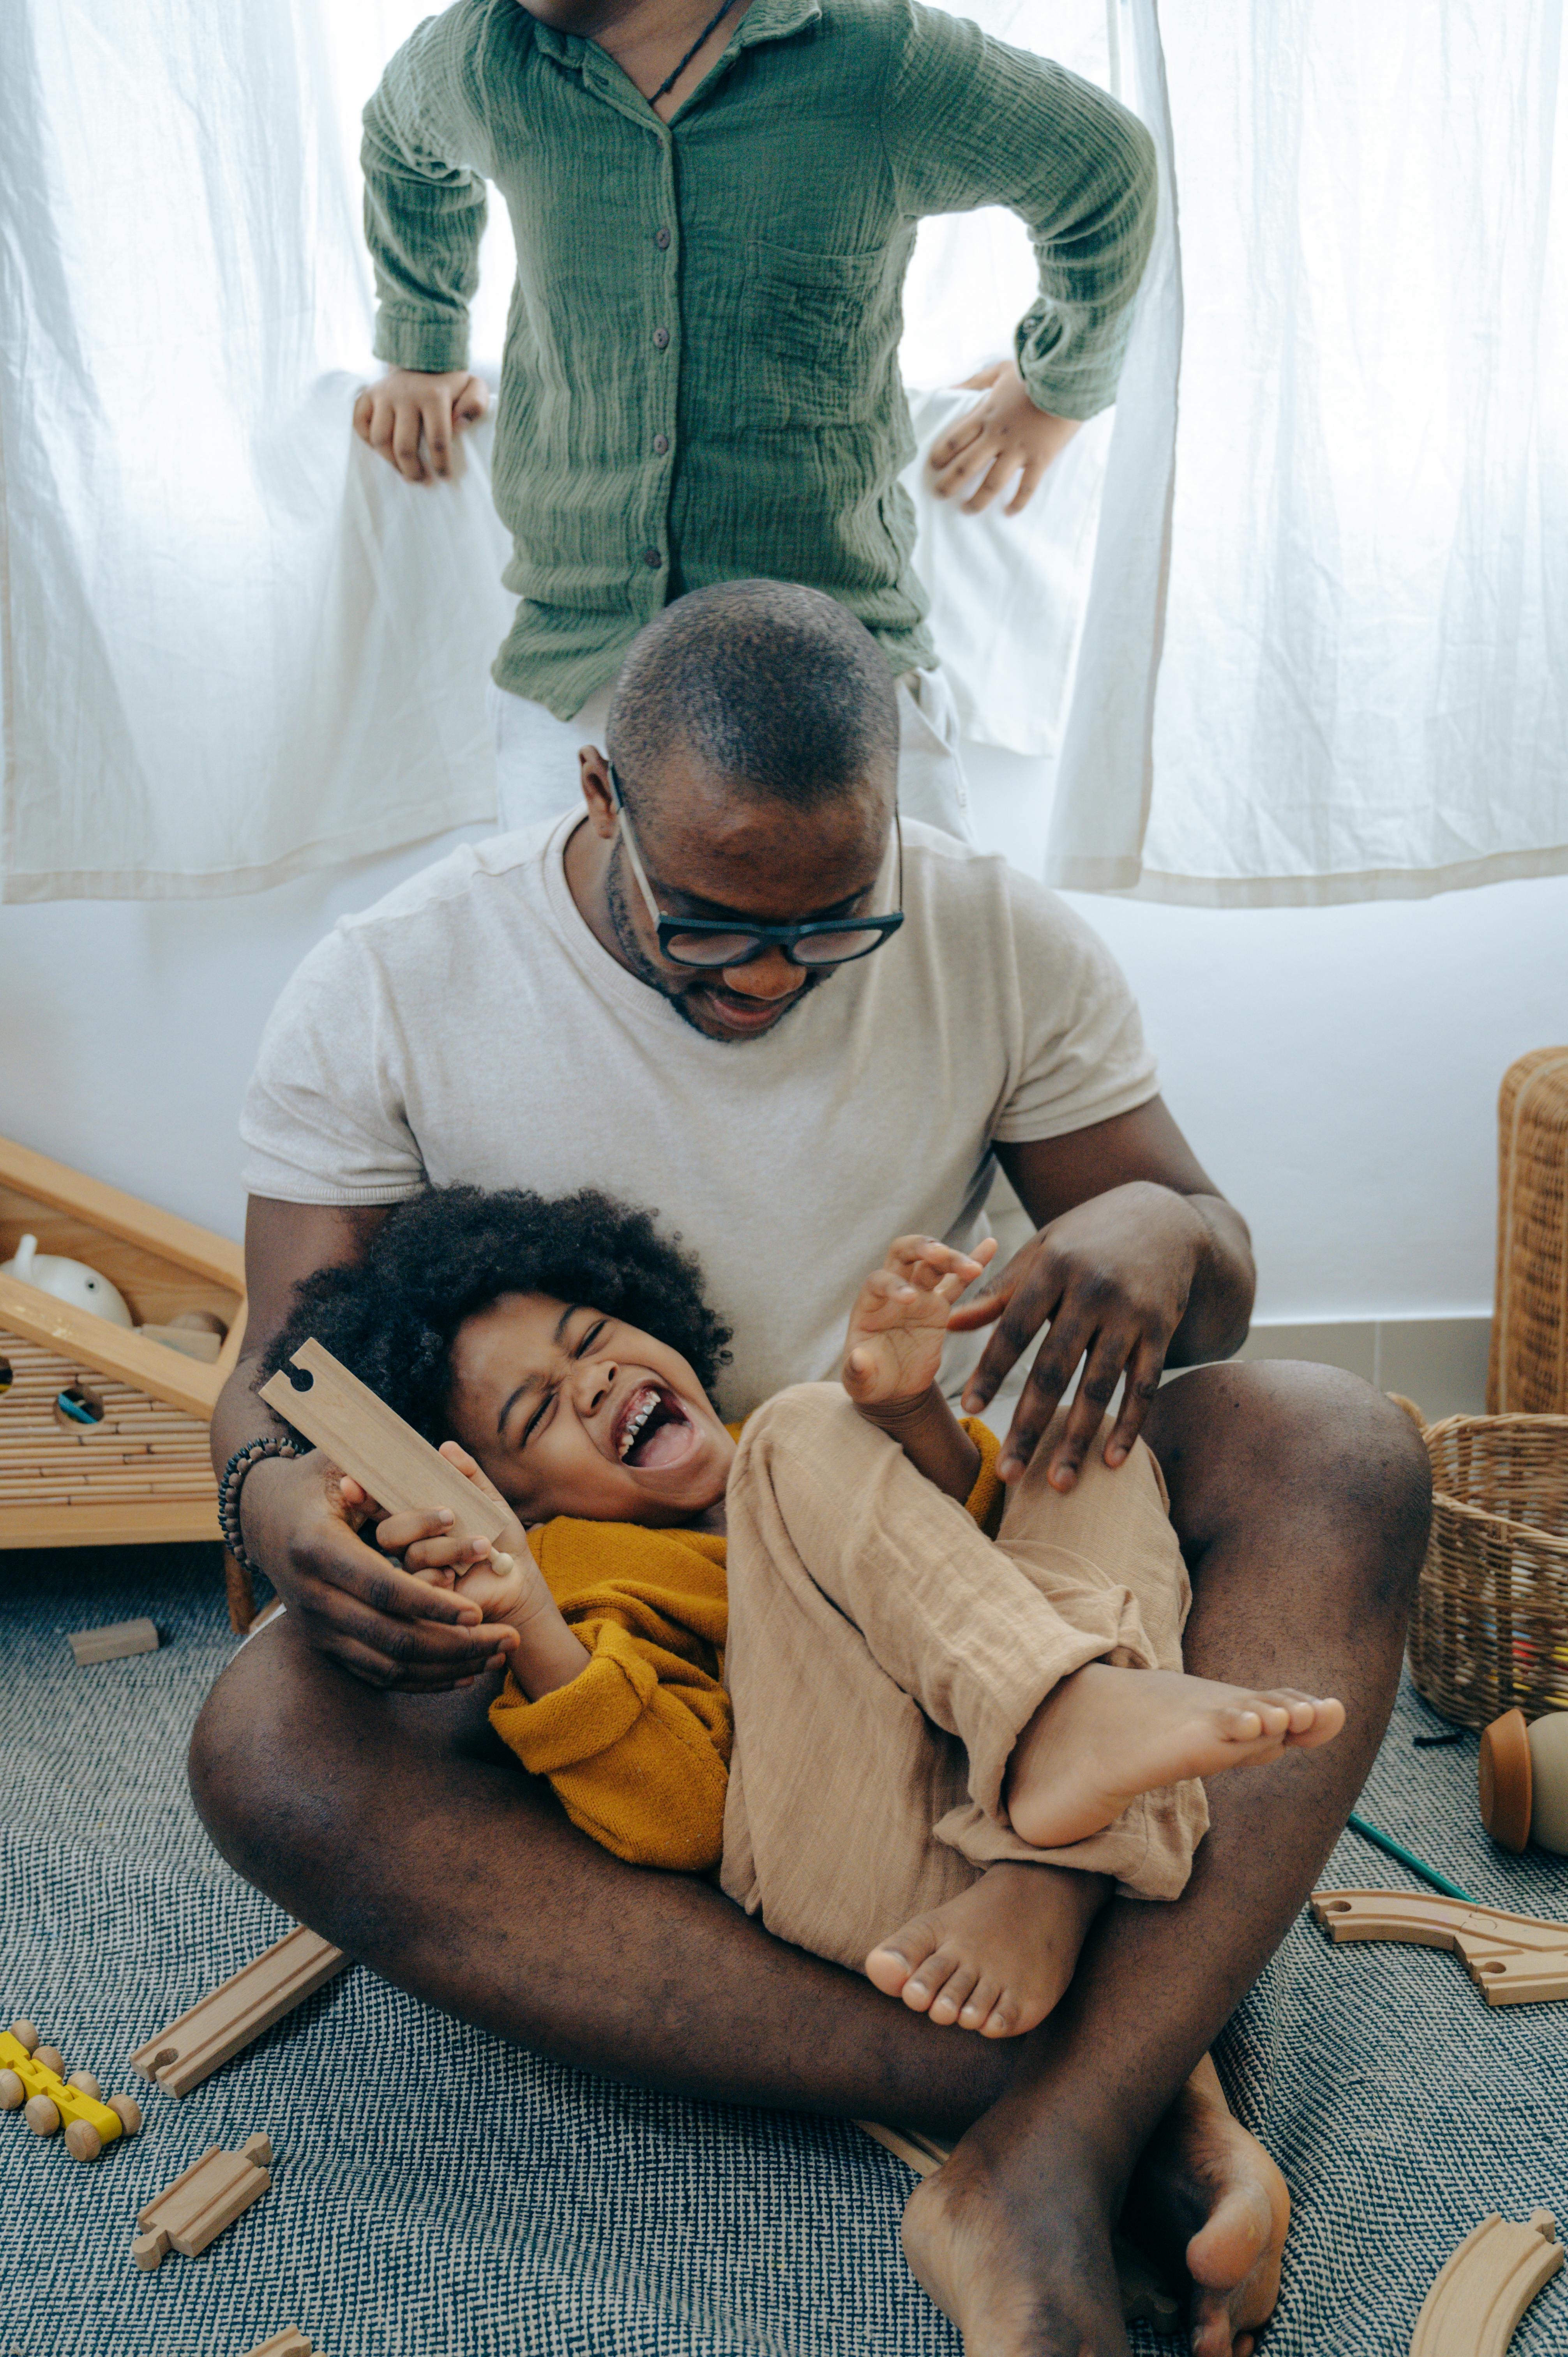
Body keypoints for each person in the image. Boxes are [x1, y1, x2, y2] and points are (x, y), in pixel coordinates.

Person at [192, 582, 1431, 2357]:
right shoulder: (391, 984)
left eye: (829, 929)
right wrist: (278, 1502)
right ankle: (1117, 2078)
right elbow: (279, 1377)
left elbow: (1210, 1266)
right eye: (707, 928)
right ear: (597, 798)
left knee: (1338, 1443)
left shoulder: (998, 936)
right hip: (679, 1615)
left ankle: (1047, 2140)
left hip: (940, 1510)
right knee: (266, 1749)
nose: (769, 975)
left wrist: (1163, 1232)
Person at [258, 1185, 1346, 2041]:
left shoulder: (821, 1445)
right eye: (538, 1410)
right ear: (520, 1497)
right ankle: (1064, 1744)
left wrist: (909, 1408)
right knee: (794, 1428)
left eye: (593, 1340)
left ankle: (1053, 1863)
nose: (587, 1382)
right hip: (850, 1855)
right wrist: (536, 1624)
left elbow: (992, 1560)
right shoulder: (579, 1570)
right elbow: (683, 1823)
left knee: (1079, 1450)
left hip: (991, 1805)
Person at [351, 0, 1157, 837]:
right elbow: (400, 145)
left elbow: (1104, 170)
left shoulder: (875, 58)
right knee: (575, 961)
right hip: (579, 670)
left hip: (839, 661)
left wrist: (1054, 391)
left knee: (893, 953)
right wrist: (421, 343)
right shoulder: (488, 57)